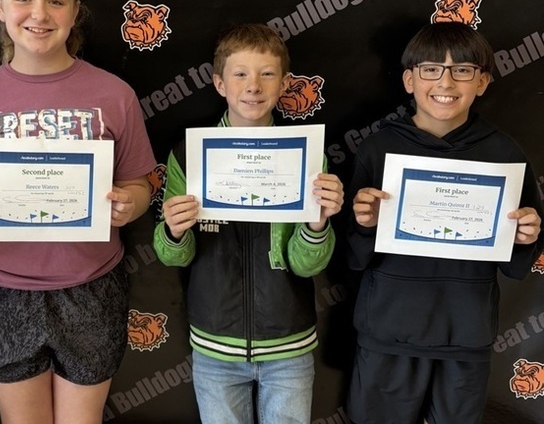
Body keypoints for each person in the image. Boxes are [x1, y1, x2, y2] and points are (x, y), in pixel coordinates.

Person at [0, 0, 156, 424]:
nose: (40, 13)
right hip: (0, 292)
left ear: (75, 11)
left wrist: (129, 205)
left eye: (57, 1)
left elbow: (140, 184)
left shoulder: (114, 94)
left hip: (92, 287)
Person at [346, 22, 544, 424]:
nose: (446, 81)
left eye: (463, 70)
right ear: (409, 80)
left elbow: (518, 256)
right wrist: (364, 223)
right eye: (431, 69)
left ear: (483, 82)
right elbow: (350, 252)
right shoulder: (379, 148)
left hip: (465, 333)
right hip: (389, 332)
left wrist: (526, 236)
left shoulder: (505, 153)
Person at [153, 23, 344, 423]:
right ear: (219, 83)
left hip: (288, 344)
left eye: (267, 74)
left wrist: (317, 225)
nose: (253, 86)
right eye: (240, 74)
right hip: (214, 344)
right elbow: (174, 257)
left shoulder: (306, 156)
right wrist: (173, 231)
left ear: (285, 84)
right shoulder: (189, 154)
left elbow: (306, 264)